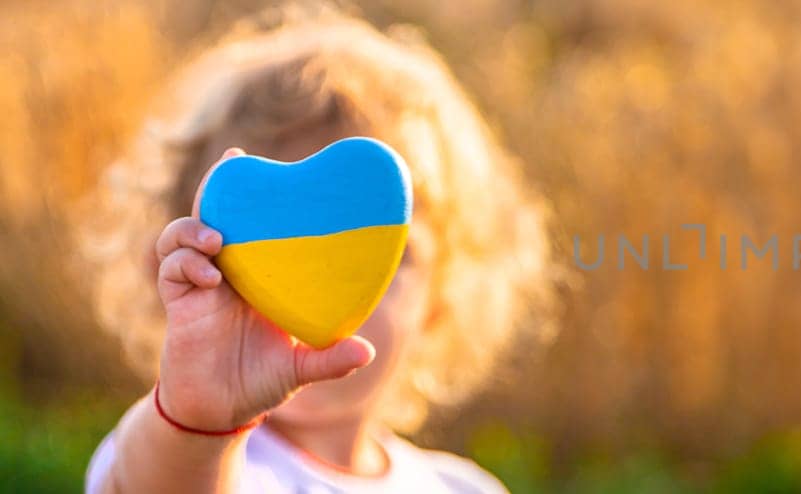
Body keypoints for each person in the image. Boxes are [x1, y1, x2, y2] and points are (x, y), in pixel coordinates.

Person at [78, 6, 550, 492]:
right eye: (269, 244)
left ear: (443, 293)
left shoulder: (462, 488)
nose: (319, 281)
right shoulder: (202, 457)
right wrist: (198, 417)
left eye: (381, 252)